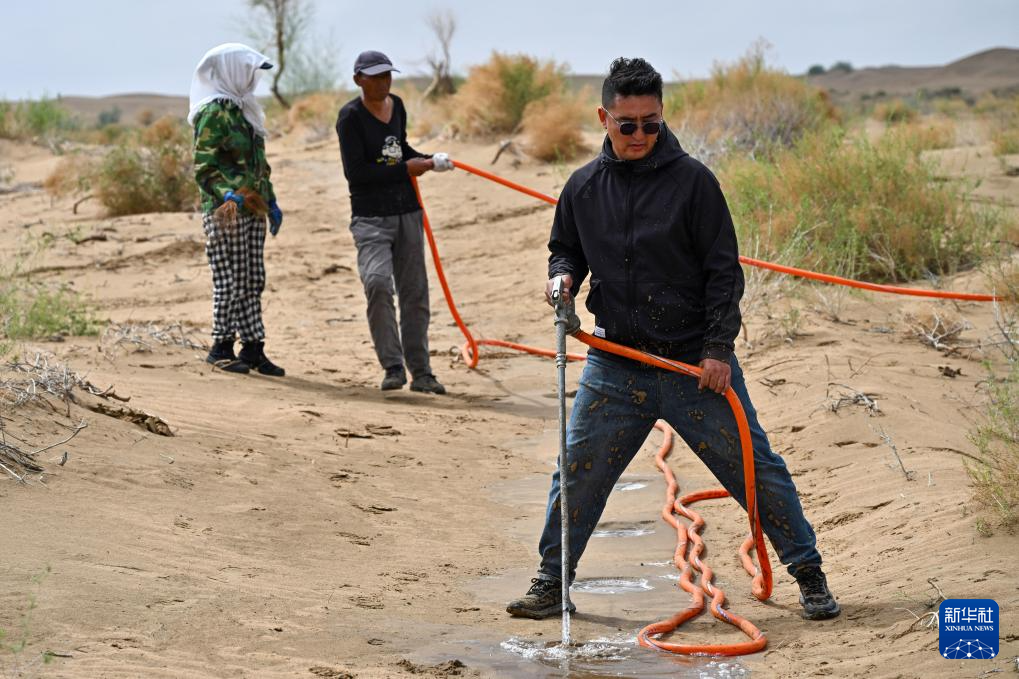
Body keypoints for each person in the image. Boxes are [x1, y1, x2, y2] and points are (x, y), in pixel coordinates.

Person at [506, 57, 840, 622]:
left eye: (651, 123)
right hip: (615, 367)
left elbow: (723, 273)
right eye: (627, 123)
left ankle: (809, 574)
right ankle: (550, 580)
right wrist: (561, 278)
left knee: (756, 469)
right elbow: (565, 249)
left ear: (662, 118)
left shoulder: (694, 183)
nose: (640, 135)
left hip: (693, 368)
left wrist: (717, 351)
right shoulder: (583, 187)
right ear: (603, 118)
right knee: (577, 473)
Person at [335, 50, 453, 394]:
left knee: (415, 293)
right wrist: (406, 169)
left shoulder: (397, 105)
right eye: (376, 76)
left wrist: (430, 161)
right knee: (377, 284)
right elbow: (355, 173)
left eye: (388, 75)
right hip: (370, 218)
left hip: (408, 213)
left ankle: (422, 372)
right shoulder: (350, 118)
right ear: (359, 79)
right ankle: (392, 366)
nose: (384, 82)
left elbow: (399, 149)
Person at [189, 43, 285, 377]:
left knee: (252, 279)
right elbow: (203, 167)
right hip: (225, 211)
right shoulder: (213, 113)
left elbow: (261, 166)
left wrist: (270, 201)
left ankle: (253, 347)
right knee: (228, 279)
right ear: (231, 71)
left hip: (252, 209)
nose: (254, 79)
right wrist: (226, 193)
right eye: (249, 71)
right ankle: (221, 347)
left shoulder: (246, 111)